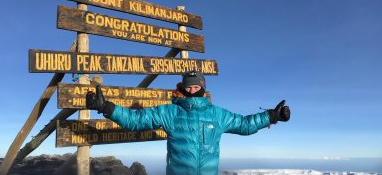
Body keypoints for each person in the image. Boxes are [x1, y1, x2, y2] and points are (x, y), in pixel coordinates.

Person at [86, 70, 290, 175]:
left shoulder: (217, 115)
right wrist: (106, 107)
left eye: (195, 86)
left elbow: (245, 125)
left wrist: (272, 116)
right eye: (188, 87)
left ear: (203, 87)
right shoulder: (170, 112)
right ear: (182, 88)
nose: (191, 90)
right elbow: (136, 120)